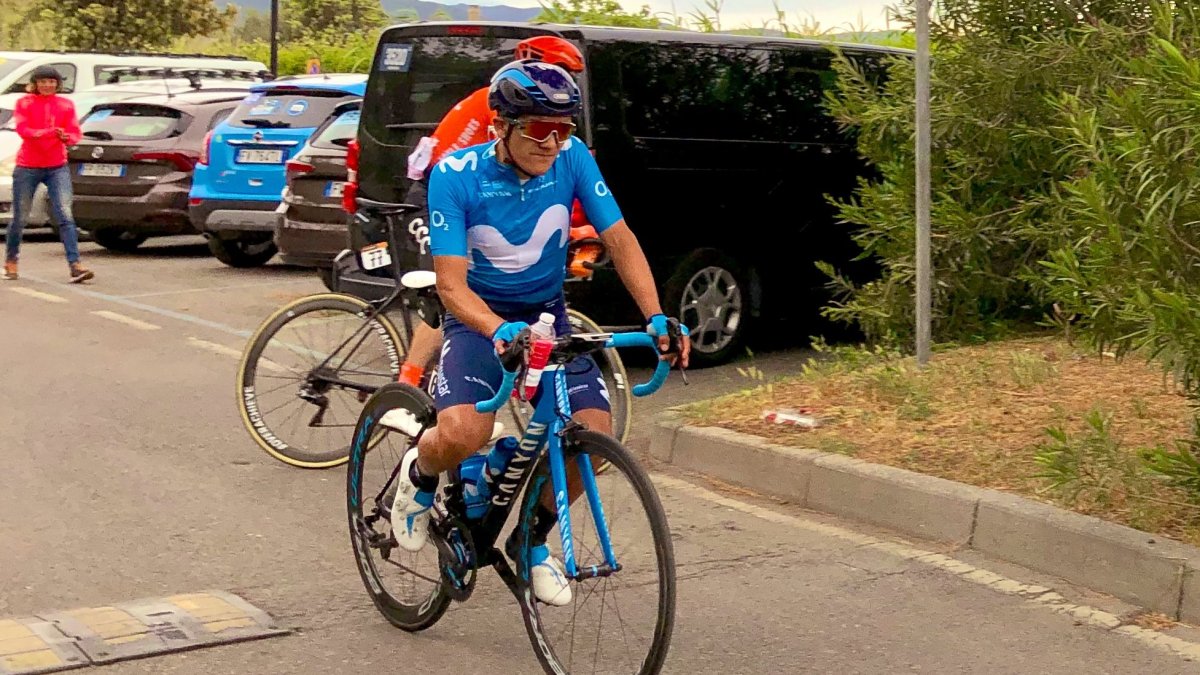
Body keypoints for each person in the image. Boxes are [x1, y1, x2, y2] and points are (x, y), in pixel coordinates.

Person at [389, 60, 690, 606]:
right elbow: (451, 286)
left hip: (546, 314)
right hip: (478, 315)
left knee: (594, 434)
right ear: (501, 124)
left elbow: (619, 237)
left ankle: (531, 541)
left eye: (564, 129)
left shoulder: (571, 159)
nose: (553, 142)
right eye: (538, 129)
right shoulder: (457, 175)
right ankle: (421, 469)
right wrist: (499, 328)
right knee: (464, 433)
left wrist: (655, 315)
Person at [392, 36, 589, 389]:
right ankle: (407, 385)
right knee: (451, 289)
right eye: (562, 72)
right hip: (436, 192)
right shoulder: (500, 104)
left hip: (464, 193)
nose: (563, 85)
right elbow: (453, 171)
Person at [5, 65, 93, 283]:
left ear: (57, 84)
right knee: (20, 217)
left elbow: (75, 133)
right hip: (28, 166)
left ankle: (75, 265)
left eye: (51, 82)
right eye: (43, 82)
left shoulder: (65, 104)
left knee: (65, 214)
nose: (47, 85)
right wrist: (49, 132)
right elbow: (24, 131)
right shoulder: (24, 103)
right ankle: (11, 260)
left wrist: (66, 138)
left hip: (57, 165)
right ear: (35, 84)